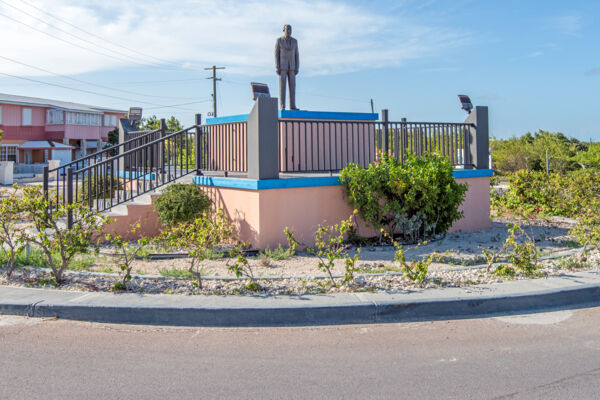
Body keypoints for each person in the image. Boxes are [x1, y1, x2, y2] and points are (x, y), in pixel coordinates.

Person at [275, 24, 299, 110]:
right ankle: (282, 105)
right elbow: (276, 54)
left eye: (290, 29)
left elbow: (297, 54)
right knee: (282, 87)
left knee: (292, 87)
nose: (289, 31)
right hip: (282, 66)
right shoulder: (279, 40)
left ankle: (292, 106)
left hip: (292, 66)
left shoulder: (295, 41)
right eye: (287, 29)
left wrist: (297, 67)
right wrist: (277, 66)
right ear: (284, 30)